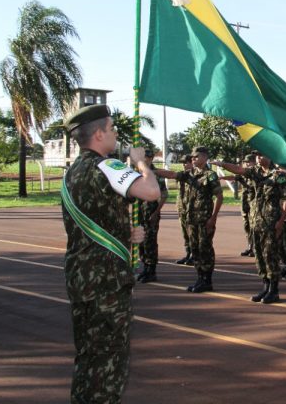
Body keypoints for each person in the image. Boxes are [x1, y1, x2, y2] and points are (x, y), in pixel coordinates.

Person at [61, 104, 161, 403]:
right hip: (106, 281)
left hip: (82, 275)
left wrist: (125, 234)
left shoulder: (72, 172)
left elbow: (94, 218)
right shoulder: (106, 165)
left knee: (88, 355)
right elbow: (150, 191)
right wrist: (140, 163)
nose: (116, 134)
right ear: (100, 133)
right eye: (113, 129)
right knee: (109, 358)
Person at [214, 154, 286, 304]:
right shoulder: (254, 172)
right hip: (256, 221)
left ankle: (274, 291)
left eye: (262, 155)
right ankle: (265, 286)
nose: (258, 158)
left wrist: (281, 220)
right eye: (257, 156)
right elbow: (238, 170)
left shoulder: (279, 175)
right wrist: (222, 164)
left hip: (271, 221)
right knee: (260, 256)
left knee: (271, 256)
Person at [156, 147, 223, 293]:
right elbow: (172, 174)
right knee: (195, 249)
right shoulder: (189, 174)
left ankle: (207, 280)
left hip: (204, 219)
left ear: (205, 158)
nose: (193, 159)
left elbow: (219, 196)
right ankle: (200, 278)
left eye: (196, 157)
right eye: (192, 157)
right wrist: (152, 171)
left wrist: (213, 218)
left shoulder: (210, 175)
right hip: (191, 219)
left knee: (205, 249)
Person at [137, 148, 168, 283]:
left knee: (150, 241)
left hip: (151, 212)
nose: (145, 160)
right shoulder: (137, 173)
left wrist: (156, 212)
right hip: (139, 213)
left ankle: (151, 270)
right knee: (141, 242)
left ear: (150, 159)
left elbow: (164, 194)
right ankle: (145, 267)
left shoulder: (156, 174)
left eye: (147, 158)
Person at [233, 153, 257, 257]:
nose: (246, 164)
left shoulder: (256, 173)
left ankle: (255, 248)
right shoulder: (244, 174)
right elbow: (234, 176)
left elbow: (252, 188)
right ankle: (250, 246)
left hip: (253, 204)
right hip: (245, 204)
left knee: (254, 226)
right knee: (247, 226)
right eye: (245, 162)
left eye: (248, 162)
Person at [174, 155, 194, 265]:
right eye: (183, 162)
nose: (184, 164)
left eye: (186, 162)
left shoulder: (195, 175)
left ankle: (194, 255)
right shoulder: (181, 175)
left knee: (192, 234)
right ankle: (188, 253)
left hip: (192, 210)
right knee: (185, 233)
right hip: (182, 208)